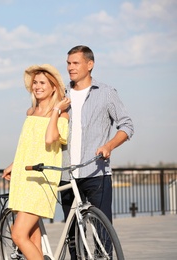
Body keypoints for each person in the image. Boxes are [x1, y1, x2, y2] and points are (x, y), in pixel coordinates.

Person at [61, 45, 134, 259]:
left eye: (75, 63)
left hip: (96, 172)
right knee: (73, 238)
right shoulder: (61, 93)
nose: (70, 68)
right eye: (68, 63)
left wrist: (109, 145)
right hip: (67, 175)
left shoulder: (106, 93)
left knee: (102, 235)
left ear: (89, 64)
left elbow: (127, 125)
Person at [2, 64, 71, 260]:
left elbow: (50, 139)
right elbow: (28, 147)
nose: (37, 86)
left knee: (18, 234)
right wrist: (14, 165)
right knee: (31, 236)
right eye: (35, 82)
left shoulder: (61, 115)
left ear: (53, 87)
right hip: (24, 176)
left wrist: (57, 109)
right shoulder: (30, 113)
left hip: (42, 178)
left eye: (42, 83)